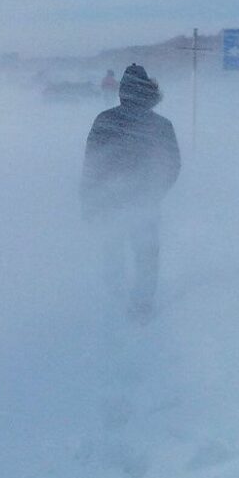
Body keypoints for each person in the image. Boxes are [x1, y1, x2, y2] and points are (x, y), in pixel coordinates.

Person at [80, 64, 180, 323]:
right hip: (145, 202)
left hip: (110, 200)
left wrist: (89, 201)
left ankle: (116, 298)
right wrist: (156, 191)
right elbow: (173, 165)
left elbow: (92, 163)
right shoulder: (161, 125)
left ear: (122, 92)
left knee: (113, 250)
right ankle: (142, 306)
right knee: (146, 255)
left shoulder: (105, 120)